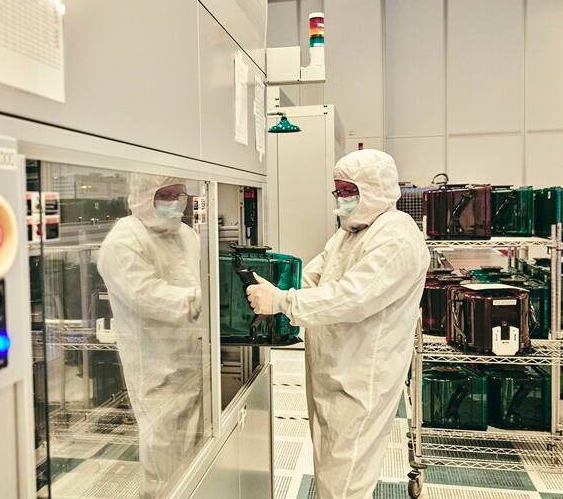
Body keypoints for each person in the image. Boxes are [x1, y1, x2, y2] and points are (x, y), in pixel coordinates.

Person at [247, 149, 430, 499]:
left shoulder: (396, 237)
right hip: (333, 369)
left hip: (361, 376)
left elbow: (353, 296)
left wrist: (284, 302)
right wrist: (280, 285)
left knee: (345, 478)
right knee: (331, 466)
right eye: (339, 191)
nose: (342, 199)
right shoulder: (350, 231)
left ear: (374, 189)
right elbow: (317, 274)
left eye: (350, 191)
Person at [97, 173, 204, 498]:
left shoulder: (186, 234)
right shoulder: (123, 241)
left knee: (194, 454)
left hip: (192, 359)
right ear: (145, 194)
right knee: (163, 458)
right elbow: (147, 294)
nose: (176, 202)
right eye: (166, 194)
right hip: (156, 367)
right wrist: (202, 302)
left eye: (180, 194)